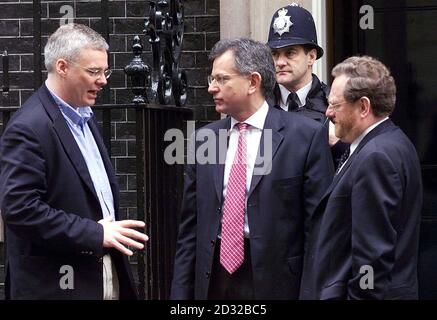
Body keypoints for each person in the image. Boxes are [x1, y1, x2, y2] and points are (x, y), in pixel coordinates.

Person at [170, 38, 334, 300]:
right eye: (211, 79)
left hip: (277, 281)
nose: (212, 88)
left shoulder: (305, 136)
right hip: (214, 279)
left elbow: (319, 230)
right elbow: (190, 230)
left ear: (253, 82)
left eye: (222, 79)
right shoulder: (204, 139)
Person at [0, 23, 149, 300]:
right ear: (62, 67)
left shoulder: (83, 116)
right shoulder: (28, 127)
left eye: (105, 71)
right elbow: (20, 210)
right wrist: (94, 233)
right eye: (94, 72)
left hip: (102, 275)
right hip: (55, 286)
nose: (103, 80)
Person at [300, 56, 423, 300]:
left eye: (335, 105)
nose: (328, 112)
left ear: (363, 107)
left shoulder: (376, 157)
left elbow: (372, 261)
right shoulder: (392, 142)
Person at [266, 3, 348, 168]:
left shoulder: (334, 105)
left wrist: (337, 144)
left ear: (311, 56)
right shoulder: (258, 103)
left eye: (290, 53)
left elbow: (352, 168)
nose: (280, 62)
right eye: (274, 54)